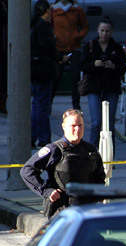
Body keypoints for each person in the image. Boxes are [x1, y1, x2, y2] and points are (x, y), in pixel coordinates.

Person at [21, 109, 106, 217]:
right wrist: (46, 191)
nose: (77, 129)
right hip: (62, 212)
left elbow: (99, 176)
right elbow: (27, 170)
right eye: (73, 125)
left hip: (86, 211)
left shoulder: (91, 150)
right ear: (64, 126)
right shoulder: (54, 149)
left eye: (80, 125)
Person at [81, 16, 126, 145]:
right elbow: (83, 66)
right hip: (94, 88)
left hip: (111, 88)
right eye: (102, 30)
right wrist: (94, 64)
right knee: (96, 123)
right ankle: (93, 155)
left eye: (107, 31)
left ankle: (110, 157)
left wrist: (113, 66)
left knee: (109, 125)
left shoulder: (116, 48)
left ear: (111, 31)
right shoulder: (90, 46)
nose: (104, 34)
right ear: (97, 30)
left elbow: (122, 68)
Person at [51, 0, 88, 110]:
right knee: (56, 77)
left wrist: (78, 36)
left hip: (74, 48)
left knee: (75, 76)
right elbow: (47, 26)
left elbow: (85, 27)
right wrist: (53, 38)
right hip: (58, 48)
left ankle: (76, 106)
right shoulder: (53, 10)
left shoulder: (77, 9)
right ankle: (48, 105)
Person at [30, 0, 58, 148]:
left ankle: (34, 135)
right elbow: (47, 47)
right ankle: (43, 137)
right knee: (42, 105)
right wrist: (58, 57)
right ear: (47, 11)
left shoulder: (34, 25)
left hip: (36, 69)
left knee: (36, 104)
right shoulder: (42, 26)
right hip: (43, 69)